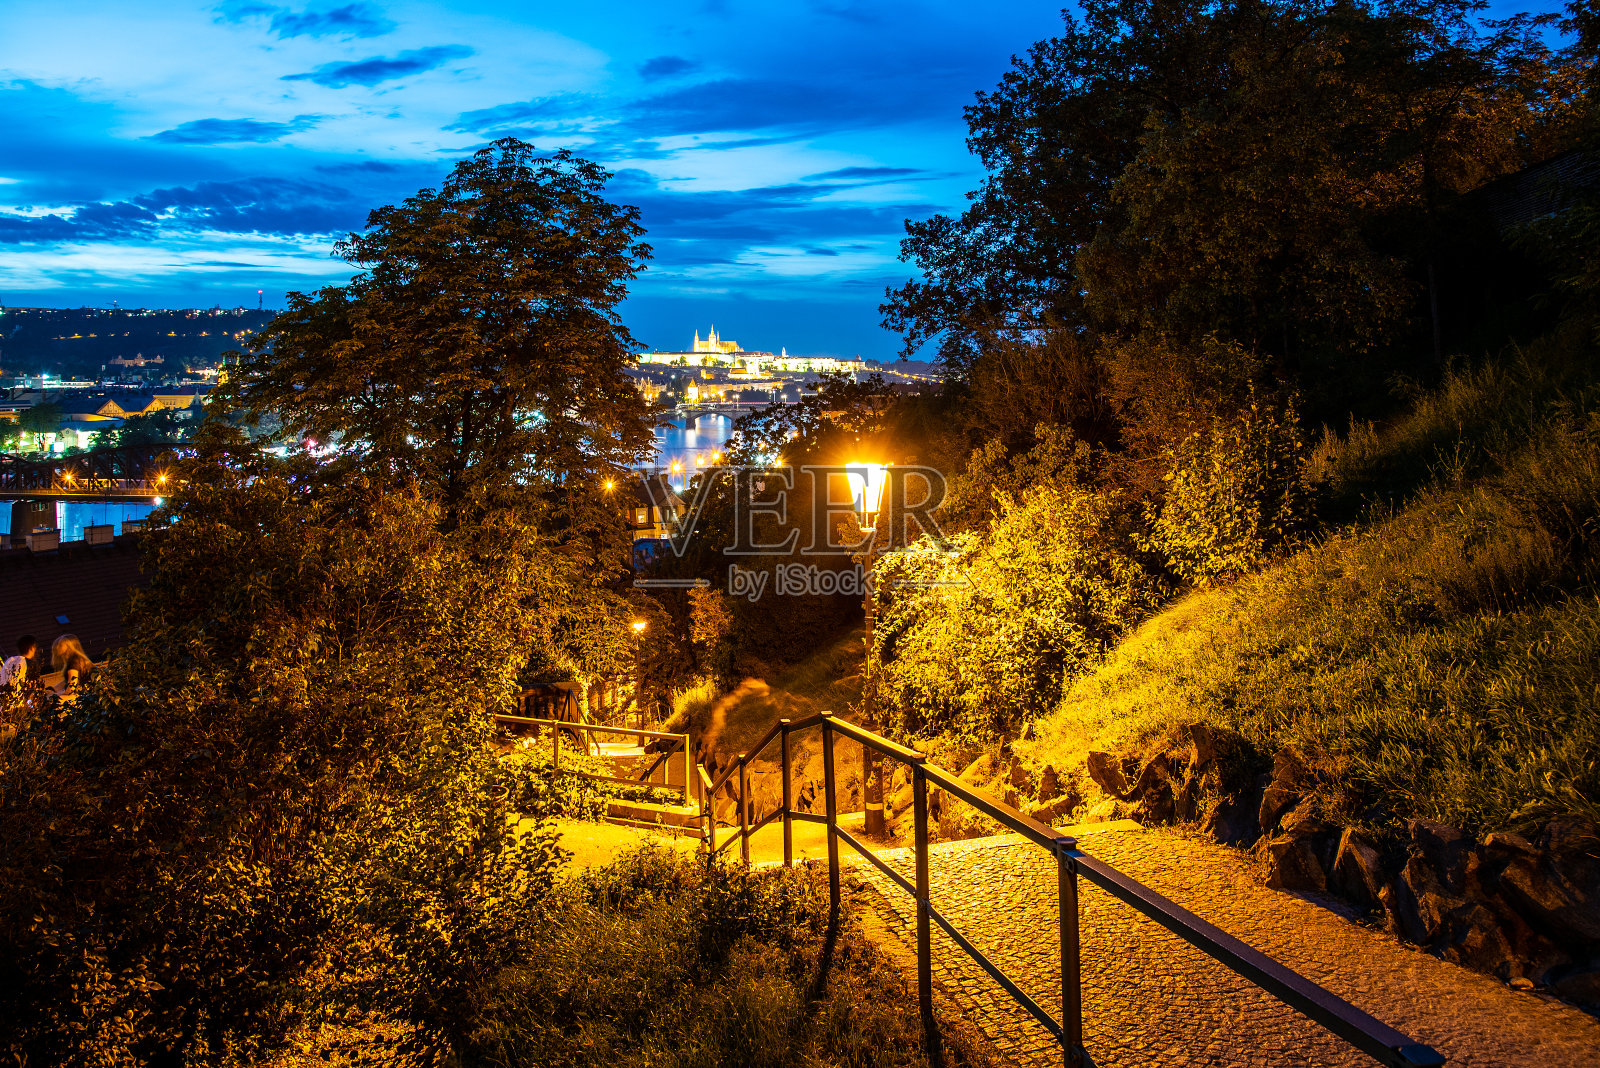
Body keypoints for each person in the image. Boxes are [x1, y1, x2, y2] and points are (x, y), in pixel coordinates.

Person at [50, 634, 91, 700]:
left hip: (85, 696)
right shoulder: (76, 660)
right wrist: (52, 689)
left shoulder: (74, 662)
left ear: (69, 647)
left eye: (60, 645)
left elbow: (71, 687)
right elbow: (67, 681)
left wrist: (55, 695)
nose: (57, 647)